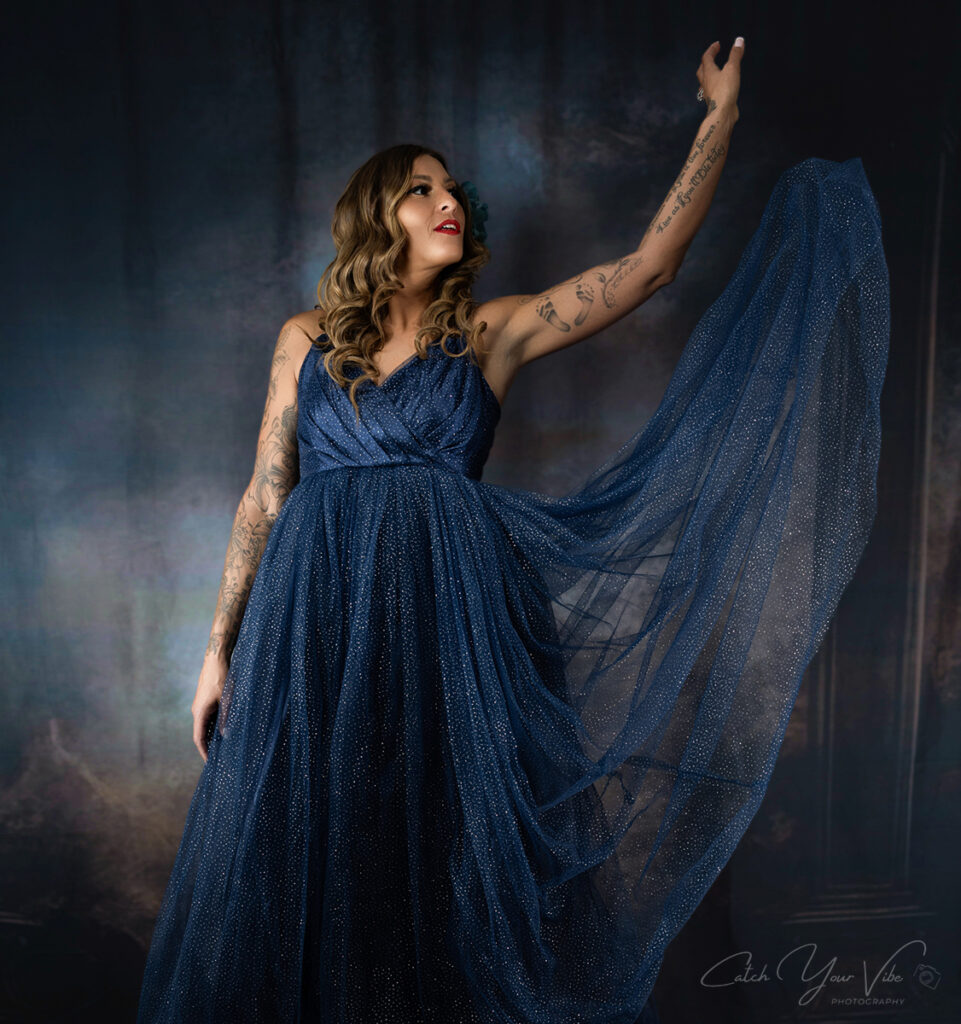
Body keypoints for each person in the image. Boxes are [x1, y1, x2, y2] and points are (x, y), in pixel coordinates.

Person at [137, 36, 890, 1024]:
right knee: (311, 847)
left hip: (450, 632)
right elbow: (263, 498)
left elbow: (648, 269)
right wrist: (216, 651)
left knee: (439, 851)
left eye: (451, 187)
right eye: (419, 188)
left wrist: (721, 118)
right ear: (375, 216)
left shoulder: (488, 333)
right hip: (311, 627)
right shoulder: (303, 340)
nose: (448, 199)